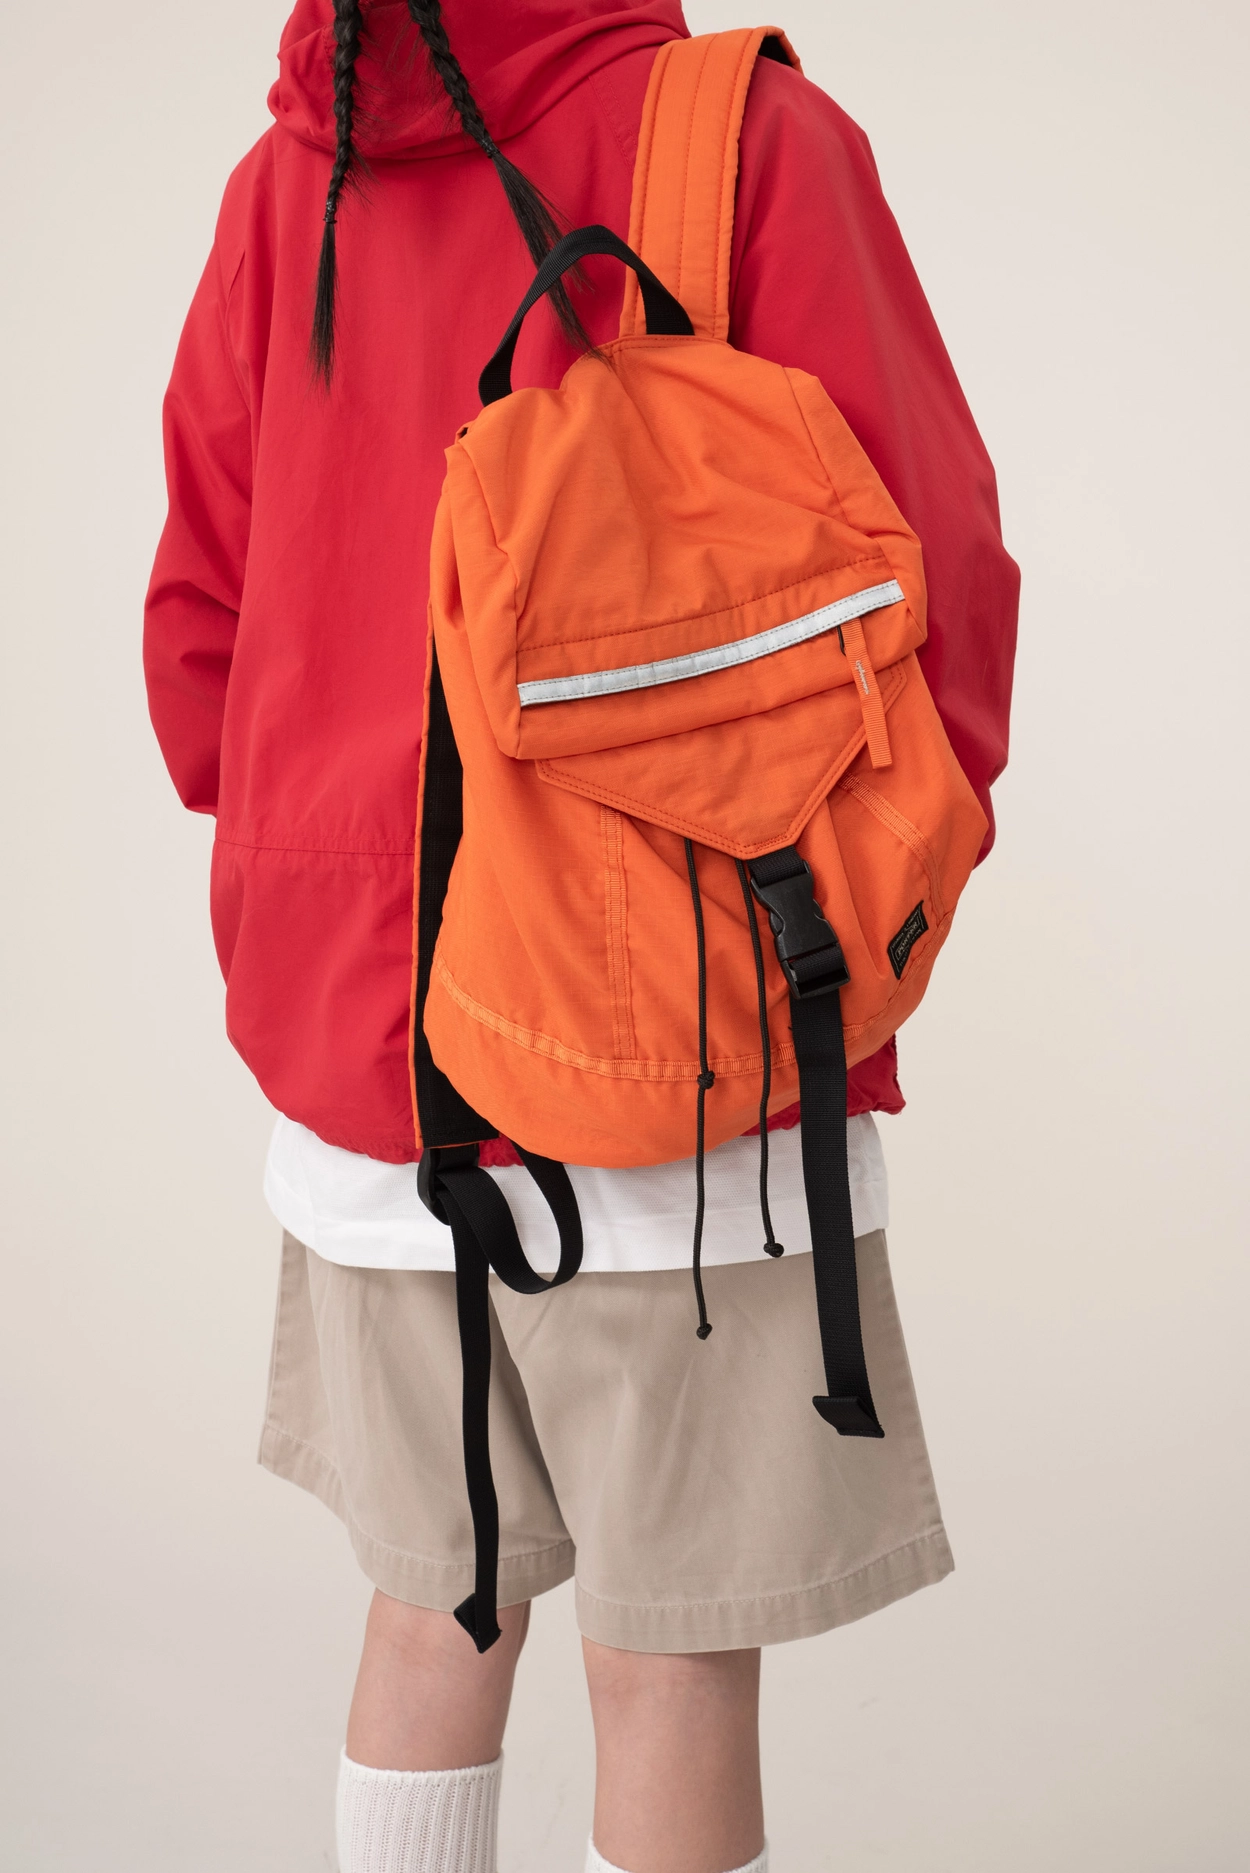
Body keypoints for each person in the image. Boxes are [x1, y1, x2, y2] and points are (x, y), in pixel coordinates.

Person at [144, 4, 1018, 1870]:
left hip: (363, 1055)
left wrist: (331, 884)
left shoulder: (291, 175)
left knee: (429, 1613)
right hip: (681, 1022)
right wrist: (866, 895)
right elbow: (931, 563)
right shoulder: (743, 143)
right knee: (668, 1662)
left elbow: (199, 616)